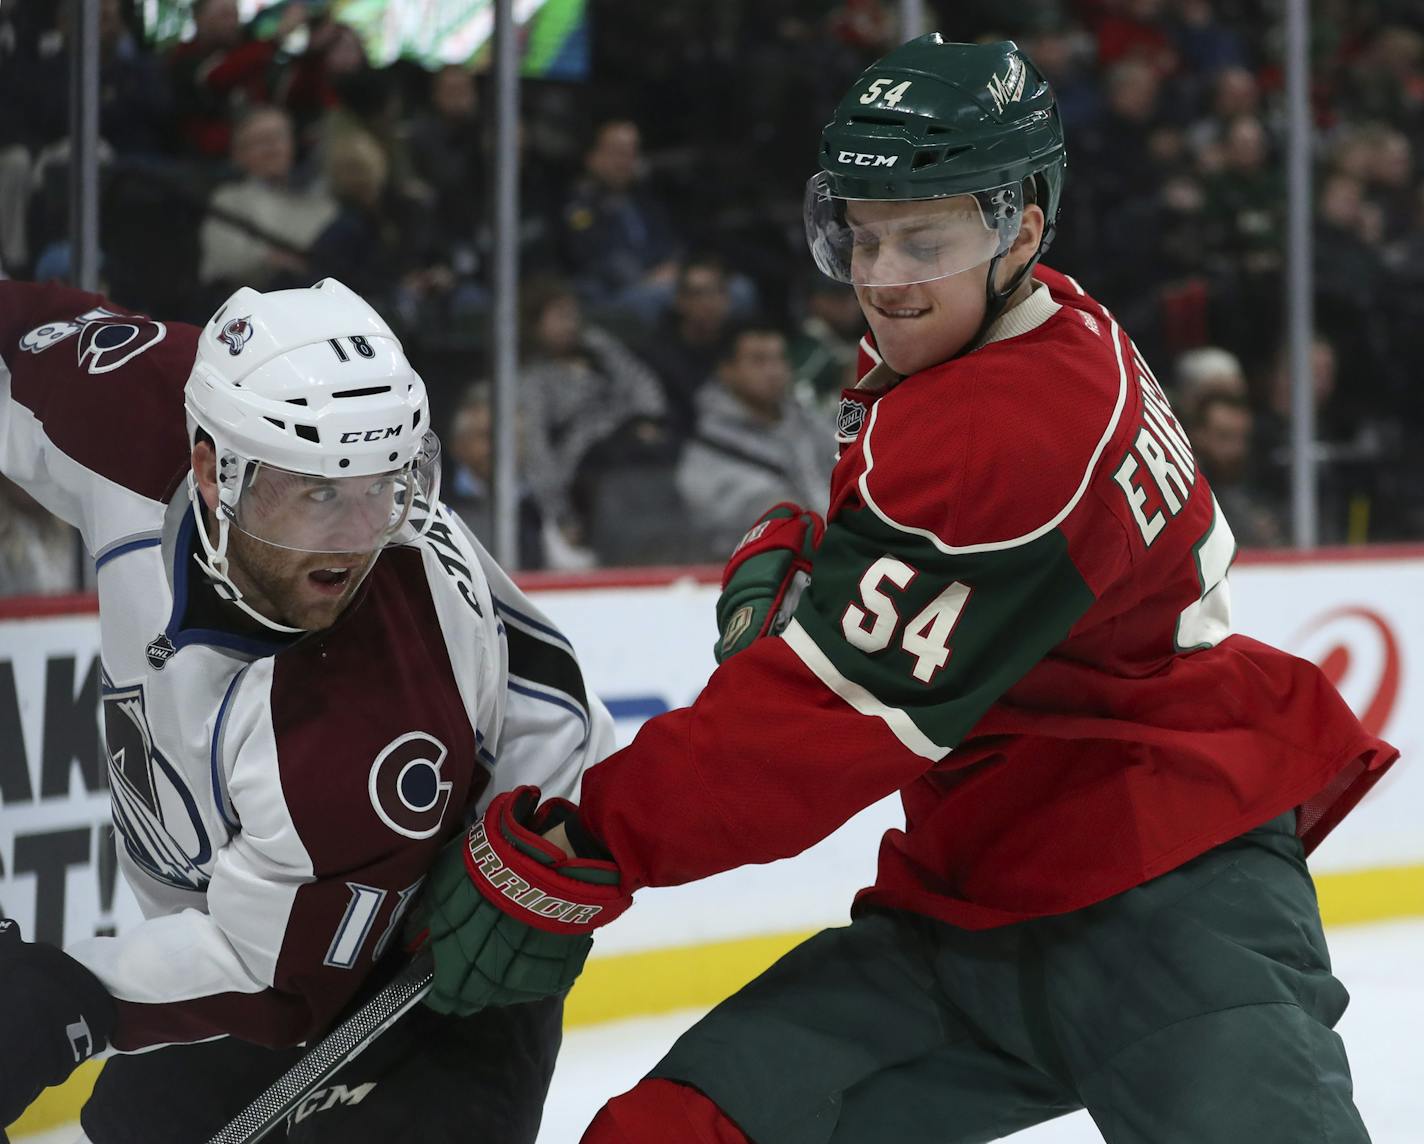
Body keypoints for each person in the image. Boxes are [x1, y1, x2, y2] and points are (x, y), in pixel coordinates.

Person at [414, 35, 1399, 1142]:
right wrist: (828, 569)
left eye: (920, 238)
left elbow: (816, 731)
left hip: (1168, 900)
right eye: (862, 234)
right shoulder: (1021, 329)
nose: (880, 278)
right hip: (975, 896)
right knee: (674, 1129)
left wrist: (592, 838)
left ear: (1020, 227)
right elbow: (947, 587)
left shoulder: (1008, 426)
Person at [0, 276, 615, 1142]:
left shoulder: (374, 718)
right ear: (214, 469)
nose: (357, 538)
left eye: (379, 489)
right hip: (280, 908)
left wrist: (63, 997)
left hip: (453, 943)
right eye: (317, 493)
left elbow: (271, 980)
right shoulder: (138, 403)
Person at [676, 323, 834, 562]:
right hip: (755, 568)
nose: (773, 371)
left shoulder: (807, 420)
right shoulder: (710, 442)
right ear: (726, 370)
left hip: (834, 556)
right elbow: (716, 516)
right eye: (758, 361)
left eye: (779, 359)